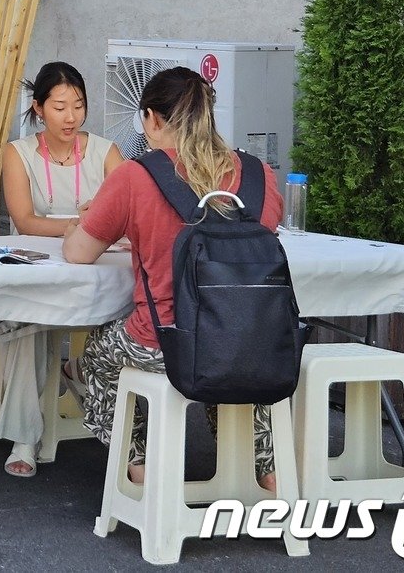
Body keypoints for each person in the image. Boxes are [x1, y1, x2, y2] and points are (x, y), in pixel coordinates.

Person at [62, 66, 282, 490]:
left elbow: (77, 253)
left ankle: (140, 468)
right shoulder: (259, 175)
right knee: (232, 361)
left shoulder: (136, 175)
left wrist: (84, 220)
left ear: (152, 118)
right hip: (251, 338)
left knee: (94, 357)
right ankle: (266, 472)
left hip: (164, 341)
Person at [0, 62, 123, 477]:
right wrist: (77, 226)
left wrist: (93, 231)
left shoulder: (106, 151)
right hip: (41, 264)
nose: (71, 117)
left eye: (79, 106)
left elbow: (128, 212)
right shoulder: (19, 153)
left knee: (135, 307)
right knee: (32, 322)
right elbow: (26, 221)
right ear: (39, 108)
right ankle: (24, 436)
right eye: (60, 107)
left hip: (97, 264)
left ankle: (87, 376)